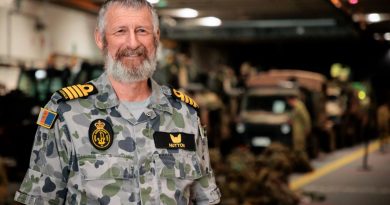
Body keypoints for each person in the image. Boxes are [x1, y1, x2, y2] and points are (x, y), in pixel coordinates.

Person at [14, 0, 221, 204]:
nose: (133, 43)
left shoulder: (184, 114)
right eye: (120, 31)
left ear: (156, 37)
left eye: (142, 31)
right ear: (101, 38)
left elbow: (205, 198)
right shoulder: (65, 113)